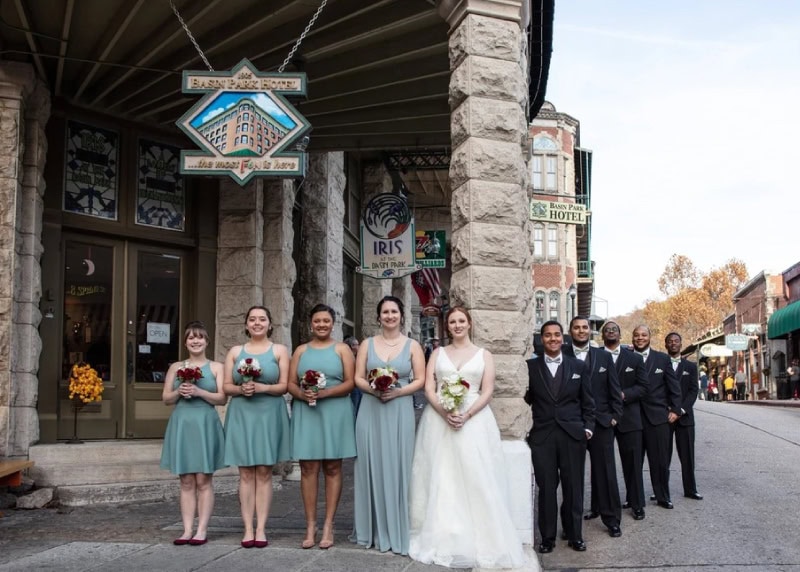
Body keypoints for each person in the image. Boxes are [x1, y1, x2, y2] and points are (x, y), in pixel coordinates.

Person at [409, 306, 526, 569]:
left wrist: (467, 414)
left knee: (477, 476)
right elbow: (429, 387)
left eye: (462, 320)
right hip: (439, 422)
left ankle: (481, 536)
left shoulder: (484, 355)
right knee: (442, 475)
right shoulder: (437, 353)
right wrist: (444, 411)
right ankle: (445, 534)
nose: (457, 325)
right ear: (447, 326)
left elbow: (487, 390)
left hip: (475, 422)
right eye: (452, 321)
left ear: (469, 324)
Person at [350, 295, 425, 555]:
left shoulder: (413, 345)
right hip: (371, 410)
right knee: (370, 464)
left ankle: (395, 527)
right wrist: (373, 389)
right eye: (385, 312)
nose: (390, 316)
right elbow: (357, 378)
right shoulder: (368, 345)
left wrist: (399, 392)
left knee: (397, 465)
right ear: (378, 316)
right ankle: (369, 530)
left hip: (399, 409)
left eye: (394, 311)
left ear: (401, 315)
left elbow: (421, 380)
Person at [288, 304, 357, 550]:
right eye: (317, 321)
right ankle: (310, 525)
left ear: (333, 323)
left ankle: (329, 524)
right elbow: (290, 383)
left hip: (335, 411)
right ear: (310, 323)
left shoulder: (342, 349)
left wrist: (325, 393)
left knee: (332, 466)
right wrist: (303, 395)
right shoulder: (300, 351)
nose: (321, 325)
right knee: (308, 467)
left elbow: (350, 383)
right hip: (308, 411)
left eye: (326, 321)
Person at [222, 306, 291, 549]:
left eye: (262, 319)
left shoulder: (279, 350)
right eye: (252, 319)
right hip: (242, 412)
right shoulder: (235, 352)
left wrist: (262, 388)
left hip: (269, 412)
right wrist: (241, 389)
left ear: (270, 324)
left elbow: (284, 385)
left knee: (263, 472)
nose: (257, 323)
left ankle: (261, 528)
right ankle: (247, 528)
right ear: (246, 324)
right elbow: (226, 386)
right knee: (245, 473)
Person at [525, 320, 595, 554]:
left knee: (573, 487)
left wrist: (588, 428)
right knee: (546, 488)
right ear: (541, 339)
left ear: (563, 338)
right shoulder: (530, 367)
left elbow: (588, 401)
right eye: (548, 335)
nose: (553, 339)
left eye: (557, 335)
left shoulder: (578, 366)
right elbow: (524, 400)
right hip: (542, 436)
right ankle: (547, 537)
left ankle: (575, 534)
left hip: (573, 435)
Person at [160, 321, 227, 546]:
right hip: (183, 423)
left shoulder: (216, 367)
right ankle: (186, 529)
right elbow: (166, 398)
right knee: (186, 480)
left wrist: (198, 391)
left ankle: (202, 529)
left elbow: (222, 398)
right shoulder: (176, 367)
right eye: (191, 337)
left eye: (200, 337)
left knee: (203, 479)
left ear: (206, 341)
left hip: (205, 423)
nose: (195, 341)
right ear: (186, 342)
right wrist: (179, 391)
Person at [565, 317, 622, 538]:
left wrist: (615, 416)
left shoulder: (604, 356)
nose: (581, 331)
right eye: (577, 328)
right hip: (572, 424)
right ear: (571, 331)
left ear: (590, 331)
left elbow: (614, 389)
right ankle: (571, 525)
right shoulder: (561, 354)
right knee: (572, 476)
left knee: (606, 473)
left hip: (602, 423)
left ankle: (612, 520)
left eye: (584, 327)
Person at [601, 321, 649, 521]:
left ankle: (637, 504)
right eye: (607, 330)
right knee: (603, 465)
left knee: (633, 464)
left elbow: (643, 387)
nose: (611, 332)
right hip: (603, 417)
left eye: (614, 330)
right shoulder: (595, 357)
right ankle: (600, 506)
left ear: (620, 335)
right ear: (602, 335)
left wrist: (623, 395)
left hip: (630, 418)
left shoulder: (634, 358)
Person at [631, 325, 681, 510]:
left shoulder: (662, 359)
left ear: (650, 337)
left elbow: (673, 386)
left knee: (660, 461)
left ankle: (662, 496)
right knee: (634, 462)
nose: (640, 338)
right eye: (636, 335)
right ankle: (633, 498)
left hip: (658, 418)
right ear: (632, 338)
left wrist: (676, 410)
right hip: (633, 418)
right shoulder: (626, 357)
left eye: (644, 335)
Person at [664, 333, 703, 501]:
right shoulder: (659, 364)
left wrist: (680, 410)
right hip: (665, 417)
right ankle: (661, 490)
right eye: (670, 341)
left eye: (676, 341)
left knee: (687, 455)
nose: (673, 344)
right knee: (663, 456)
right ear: (666, 345)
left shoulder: (691, 366)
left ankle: (690, 489)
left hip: (685, 418)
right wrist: (668, 409)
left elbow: (694, 391)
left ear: (681, 344)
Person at [343, 336, 362, 413]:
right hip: (352, 389)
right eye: (357, 344)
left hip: (359, 387)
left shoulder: (359, 356)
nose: (359, 346)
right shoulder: (346, 357)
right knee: (354, 409)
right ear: (352, 346)